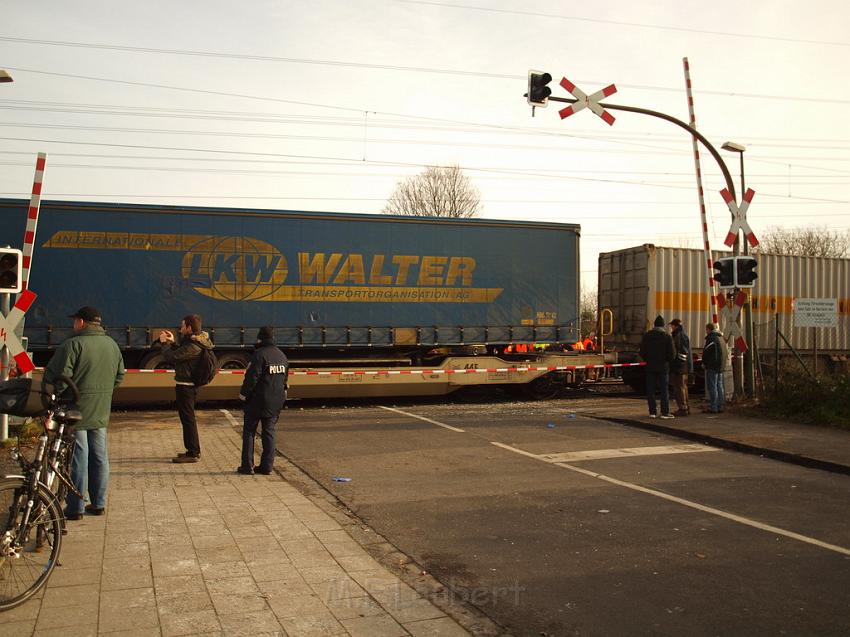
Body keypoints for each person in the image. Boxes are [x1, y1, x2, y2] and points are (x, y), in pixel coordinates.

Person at [44, 306, 124, 520]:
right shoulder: (112, 345)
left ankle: (76, 507)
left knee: (78, 458)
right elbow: (119, 376)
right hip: (100, 409)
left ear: (81, 322)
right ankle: (98, 503)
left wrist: (57, 398)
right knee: (99, 456)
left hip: (75, 409)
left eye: (75, 321)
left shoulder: (73, 345)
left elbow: (60, 377)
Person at [159, 314, 214, 463]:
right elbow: (180, 353)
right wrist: (172, 342)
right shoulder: (195, 341)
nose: (180, 328)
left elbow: (171, 358)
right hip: (188, 386)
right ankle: (191, 450)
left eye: (183, 325)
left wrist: (164, 344)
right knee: (187, 418)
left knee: (188, 419)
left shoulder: (193, 345)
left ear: (189, 328)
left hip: (186, 387)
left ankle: (193, 453)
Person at [237, 326, 289, 475]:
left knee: (249, 432)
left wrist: (243, 396)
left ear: (260, 338)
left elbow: (251, 379)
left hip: (257, 401)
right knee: (269, 433)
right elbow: (284, 381)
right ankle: (267, 467)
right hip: (275, 402)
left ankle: (247, 466)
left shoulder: (259, 355)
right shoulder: (282, 356)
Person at [638, 315, 676, 419]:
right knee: (664, 390)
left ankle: (652, 412)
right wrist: (666, 361)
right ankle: (664, 412)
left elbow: (642, 352)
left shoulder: (647, 336)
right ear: (663, 325)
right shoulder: (667, 337)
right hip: (663, 367)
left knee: (650, 390)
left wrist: (648, 359)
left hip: (650, 367)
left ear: (654, 325)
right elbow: (672, 354)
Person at [669, 318, 694, 416]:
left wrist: (677, 366)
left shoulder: (679, 335)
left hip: (680, 368)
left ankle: (683, 408)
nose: (671, 327)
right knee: (682, 387)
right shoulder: (681, 334)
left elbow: (683, 353)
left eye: (672, 326)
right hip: (682, 367)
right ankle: (685, 407)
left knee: (680, 388)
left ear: (675, 326)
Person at [702, 323, 728, 413]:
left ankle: (714, 407)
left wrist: (704, 362)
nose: (706, 331)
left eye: (706, 329)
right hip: (720, 366)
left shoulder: (711, 338)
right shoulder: (721, 338)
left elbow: (706, 352)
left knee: (712, 386)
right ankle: (720, 406)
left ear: (708, 329)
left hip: (712, 366)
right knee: (719, 386)